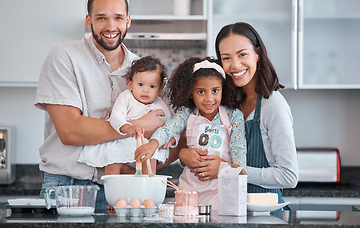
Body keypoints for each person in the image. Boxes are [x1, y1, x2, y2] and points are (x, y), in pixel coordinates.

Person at [34, 0, 176, 209]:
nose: (111, 27)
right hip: (69, 186)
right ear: (89, 21)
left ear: (128, 21)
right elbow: (70, 131)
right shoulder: (64, 58)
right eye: (102, 18)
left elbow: (165, 129)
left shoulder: (143, 73)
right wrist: (139, 126)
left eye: (118, 18)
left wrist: (161, 142)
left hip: (127, 186)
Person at [179, 22, 298, 216]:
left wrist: (228, 170)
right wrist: (184, 155)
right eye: (226, 58)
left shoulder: (273, 106)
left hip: (263, 216)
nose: (235, 65)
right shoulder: (224, 102)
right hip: (226, 211)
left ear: (257, 53)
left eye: (242, 54)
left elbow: (288, 176)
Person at [135, 57, 247, 211]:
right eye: (201, 91)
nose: (209, 98)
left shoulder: (234, 116)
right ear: (190, 94)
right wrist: (152, 144)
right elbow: (168, 129)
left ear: (223, 89)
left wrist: (223, 168)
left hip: (222, 191)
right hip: (189, 190)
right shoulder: (186, 113)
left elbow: (240, 164)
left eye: (215, 91)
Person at [78, 56, 177, 175]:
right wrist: (128, 128)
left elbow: (173, 126)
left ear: (160, 89)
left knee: (150, 159)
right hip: (121, 141)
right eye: (140, 84)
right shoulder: (126, 98)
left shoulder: (160, 106)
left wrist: (171, 139)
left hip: (146, 145)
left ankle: (146, 188)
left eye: (152, 86)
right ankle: (113, 187)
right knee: (113, 161)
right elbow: (116, 117)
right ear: (130, 84)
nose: (145, 90)